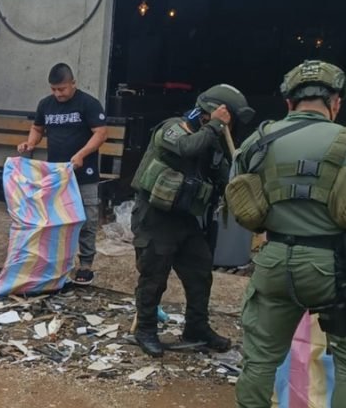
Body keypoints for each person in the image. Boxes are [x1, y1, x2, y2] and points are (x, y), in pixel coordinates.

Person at [229, 60, 346, 408]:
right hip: (336, 267)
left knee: (261, 354)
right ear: (336, 103)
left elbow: (238, 196)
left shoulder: (258, 141)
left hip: (275, 259)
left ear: (289, 102)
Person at [129, 84, 254, 357]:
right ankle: (146, 330)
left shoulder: (214, 144)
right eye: (224, 118)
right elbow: (186, 148)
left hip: (186, 220)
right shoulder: (175, 127)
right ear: (211, 112)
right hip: (155, 217)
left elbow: (224, 178)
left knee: (200, 274)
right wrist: (215, 127)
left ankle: (196, 327)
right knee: (154, 277)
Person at [17, 63, 107, 286]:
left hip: (84, 173)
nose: (58, 94)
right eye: (54, 89)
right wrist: (29, 143)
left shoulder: (88, 104)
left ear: (73, 84)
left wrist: (82, 154)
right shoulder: (46, 105)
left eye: (62, 89)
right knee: (56, 219)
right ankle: (57, 262)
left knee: (86, 219)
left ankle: (85, 264)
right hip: (56, 174)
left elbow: (101, 133)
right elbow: (37, 128)